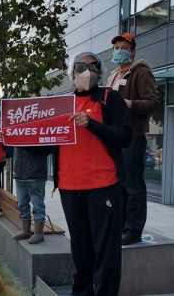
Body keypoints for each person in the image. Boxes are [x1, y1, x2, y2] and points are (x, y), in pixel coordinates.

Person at [52, 51, 132, 295]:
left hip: (104, 185)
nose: (86, 71)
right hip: (70, 188)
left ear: (100, 72)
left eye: (93, 66)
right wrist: (14, 138)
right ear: (72, 72)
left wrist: (92, 125)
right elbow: (45, 143)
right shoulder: (61, 104)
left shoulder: (110, 98)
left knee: (106, 253)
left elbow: (125, 137)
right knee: (81, 252)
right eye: (80, 66)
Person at [107, 33, 159, 245]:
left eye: (124, 47)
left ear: (133, 51)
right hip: (115, 137)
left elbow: (152, 103)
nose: (119, 50)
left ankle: (134, 230)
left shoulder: (141, 72)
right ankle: (121, 226)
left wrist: (129, 103)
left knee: (133, 186)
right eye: (116, 47)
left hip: (133, 137)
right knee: (118, 185)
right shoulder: (113, 76)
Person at [11, 146, 52, 244]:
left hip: (35, 174)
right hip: (20, 174)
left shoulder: (39, 132)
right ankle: (26, 230)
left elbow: (47, 150)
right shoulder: (17, 131)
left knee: (37, 205)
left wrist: (22, 143)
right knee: (22, 204)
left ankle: (38, 232)